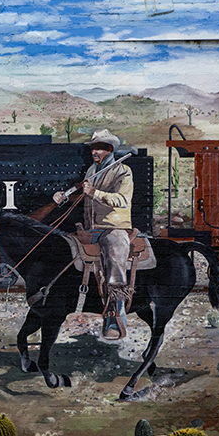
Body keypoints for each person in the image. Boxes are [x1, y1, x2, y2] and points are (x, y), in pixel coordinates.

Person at [53, 128, 134, 341]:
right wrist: (65, 199)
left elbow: (122, 200)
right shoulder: (91, 171)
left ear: (109, 149)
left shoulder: (123, 171)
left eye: (98, 148)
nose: (94, 152)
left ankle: (117, 316)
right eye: (92, 148)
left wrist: (94, 192)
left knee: (115, 254)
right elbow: (84, 199)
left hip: (114, 227)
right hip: (91, 228)